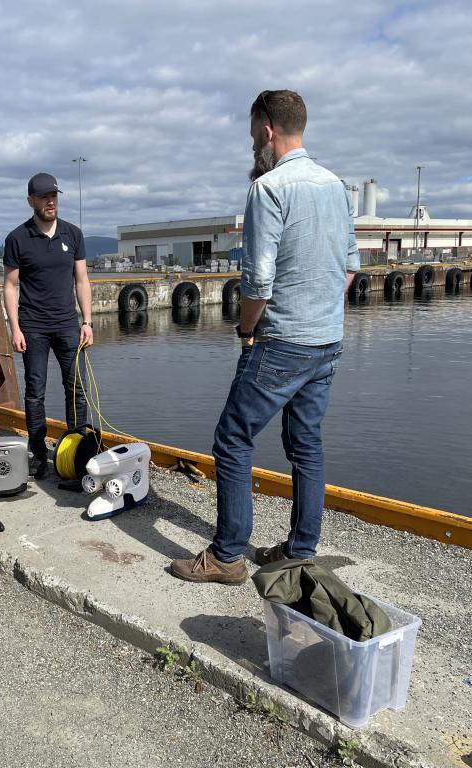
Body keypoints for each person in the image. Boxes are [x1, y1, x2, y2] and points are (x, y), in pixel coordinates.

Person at [170, 90, 359, 585]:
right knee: (307, 445)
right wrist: (321, 313)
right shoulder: (338, 187)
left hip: (281, 341)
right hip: (327, 341)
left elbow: (257, 282)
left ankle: (228, 554)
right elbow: (350, 269)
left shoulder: (269, 188)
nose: (253, 142)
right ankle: (299, 551)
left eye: (254, 132)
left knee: (232, 438)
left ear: (268, 129)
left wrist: (247, 328)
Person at [2, 172, 93, 478]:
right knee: (35, 392)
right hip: (33, 327)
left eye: (53, 196)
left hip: (68, 324)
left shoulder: (73, 234)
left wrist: (88, 321)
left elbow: (81, 281)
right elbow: (10, 286)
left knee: (76, 389)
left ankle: (77, 451)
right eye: (43, 197)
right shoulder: (17, 238)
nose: (50, 201)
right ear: (31, 201)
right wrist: (14, 327)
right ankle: (39, 454)